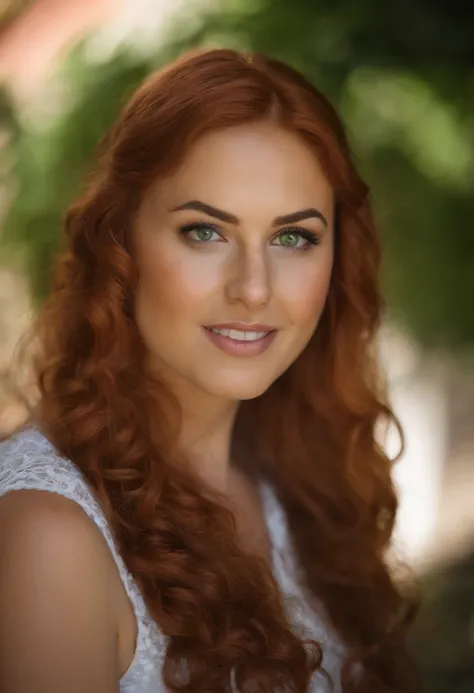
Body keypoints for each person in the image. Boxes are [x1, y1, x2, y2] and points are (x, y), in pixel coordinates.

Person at [0, 48, 416, 693]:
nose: (253, 289)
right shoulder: (47, 538)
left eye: (293, 238)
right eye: (205, 232)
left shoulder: (299, 490)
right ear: (122, 243)